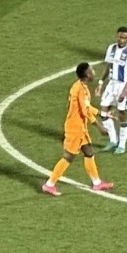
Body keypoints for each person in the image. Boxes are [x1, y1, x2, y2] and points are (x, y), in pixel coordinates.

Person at [42, 63, 115, 195]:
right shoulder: (80, 89)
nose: (94, 71)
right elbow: (85, 111)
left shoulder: (81, 87)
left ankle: (97, 183)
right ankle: (49, 184)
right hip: (75, 128)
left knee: (88, 151)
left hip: (80, 127)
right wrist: (99, 126)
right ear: (87, 75)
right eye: (91, 70)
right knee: (68, 157)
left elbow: (87, 107)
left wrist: (103, 114)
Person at [97, 27, 127, 154]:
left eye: (124, 38)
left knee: (122, 114)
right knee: (103, 110)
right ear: (117, 37)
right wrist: (100, 82)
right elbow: (108, 65)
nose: (122, 40)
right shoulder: (112, 48)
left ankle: (122, 144)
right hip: (112, 83)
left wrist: (125, 91)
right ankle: (112, 140)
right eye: (120, 37)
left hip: (124, 85)